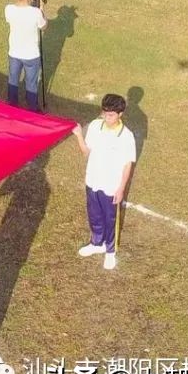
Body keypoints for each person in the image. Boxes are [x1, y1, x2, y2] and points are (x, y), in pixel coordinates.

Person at [71, 93, 137, 271]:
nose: (107, 118)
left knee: (110, 218)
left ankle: (110, 251)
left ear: (120, 114)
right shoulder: (95, 126)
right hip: (93, 179)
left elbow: (127, 165)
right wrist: (78, 135)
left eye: (111, 115)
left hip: (111, 185)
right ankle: (96, 243)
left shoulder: (126, 136)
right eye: (105, 113)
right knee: (94, 214)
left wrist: (121, 189)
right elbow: (86, 152)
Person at [4, 0, 46, 112]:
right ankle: (32, 107)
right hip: (31, 55)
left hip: (14, 53)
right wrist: (42, 7)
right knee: (31, 83)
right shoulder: (36, 12)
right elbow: (43, 26)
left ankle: (12, 104)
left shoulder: (9, 9)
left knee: (13, 79)